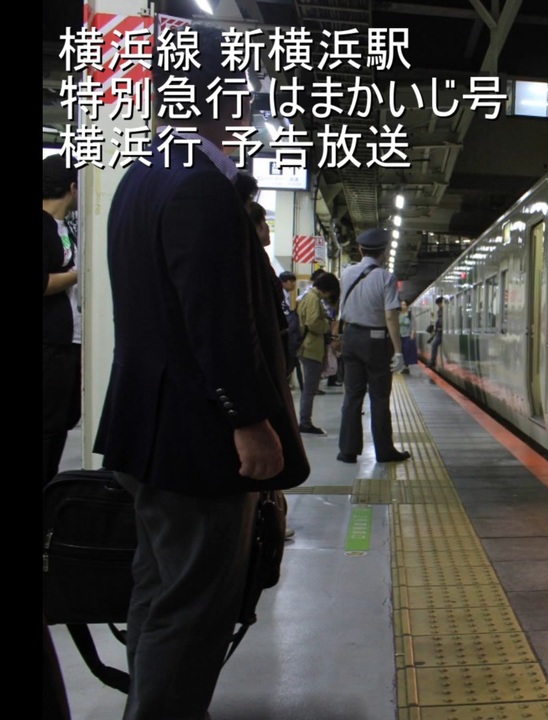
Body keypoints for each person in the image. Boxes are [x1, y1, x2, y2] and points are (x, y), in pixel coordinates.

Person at [92, 23, 309, 720]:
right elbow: (216, 322)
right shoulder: (201, 187)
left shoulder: (140, 178)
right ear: (229, 103)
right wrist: (249, 420)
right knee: (193, 613)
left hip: (147, 432)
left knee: (157, 596)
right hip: (198, 442)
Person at [335, 228, 411, 464]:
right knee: (379, 397)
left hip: (350, 336)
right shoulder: (386, 277)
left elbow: (341, 309)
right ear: (384, 251)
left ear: (360, 249)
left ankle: (347, 451)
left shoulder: (347, 273)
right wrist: (399, 351)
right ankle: (384, 451)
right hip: (376, 340)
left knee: (352, 395)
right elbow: (390, 316)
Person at [43, 155, 81, 487]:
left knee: (61, 424)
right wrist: (80, 274)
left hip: (66, 343)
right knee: (48, 428)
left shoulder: (65, 227)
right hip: (49, 345)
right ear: (71, 188)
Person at [296, 272, 340, 434]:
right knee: (310, 388)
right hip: (311, 348)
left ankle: (305, 421)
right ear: (327, 289)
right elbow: (313, 323)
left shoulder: (307, 296)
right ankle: (305, 422)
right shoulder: (314, 299)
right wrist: (328, 326)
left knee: (309, 387)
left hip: (307, 347)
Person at [278, 270, 303, 389]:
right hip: (285, 334)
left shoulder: (286, 295)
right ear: (285, 282)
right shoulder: (280, 296)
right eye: (292, 282)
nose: (293, 285)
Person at [398, 300, 417, 375]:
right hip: (399, 336)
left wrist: (412, 333)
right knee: (400, 351)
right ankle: (402, 366)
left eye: (404, 304)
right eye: (402, 304)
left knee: (406, 350)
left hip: (407, 336)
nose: (403, 306)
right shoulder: (398, 314)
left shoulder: (409, 314)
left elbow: (413, 325)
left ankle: (406, 367)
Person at [428, 296, 445, 370]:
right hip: (439, 331)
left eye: (439, 304)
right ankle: (432, 361)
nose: (439, 305)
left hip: (441, 331)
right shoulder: (440, 311)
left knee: (434, 345)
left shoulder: (445, 310)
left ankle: (432, 362)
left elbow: (441, 321)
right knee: (433, 344)